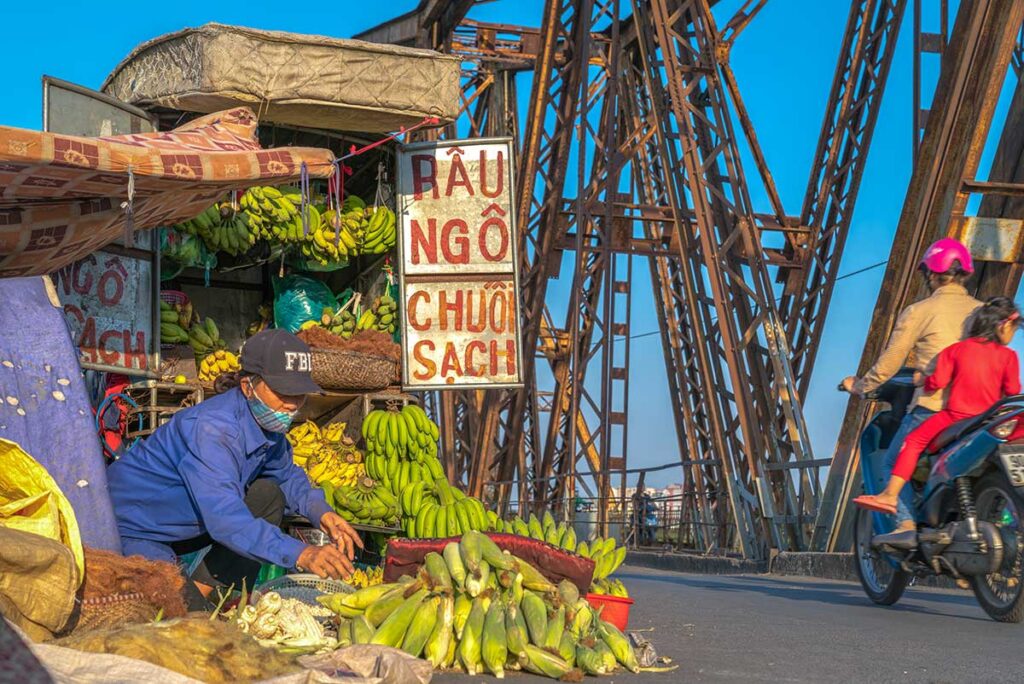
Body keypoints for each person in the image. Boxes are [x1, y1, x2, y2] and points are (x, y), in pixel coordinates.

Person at [107, 329, 363, 604]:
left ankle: (204, 593)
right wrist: (302, 553)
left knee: (267, 495)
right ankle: (193, 601)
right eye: (282, 392)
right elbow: (226, 519)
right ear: (248, 386)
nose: (291, 405)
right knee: (180, 621)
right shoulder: (213, 430)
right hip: (138, 527)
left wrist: (321, 512)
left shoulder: (267, 426)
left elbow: (286, 476)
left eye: (299, 394)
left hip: (190, 523)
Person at [841, 238, 981, 535]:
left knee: (895, 459)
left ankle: (904, 524)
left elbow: (890, 363)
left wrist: (860, 385)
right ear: (965, 273)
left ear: (931, 274)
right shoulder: (983, 312)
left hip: (936, 405)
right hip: (984, 409)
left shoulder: (921, 311)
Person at [855, 297, 1021, 515]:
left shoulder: (956, 350)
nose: (1012, 335)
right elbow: (1012, 390)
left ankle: (890, 495)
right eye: (1014, 329)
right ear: (1003, 325)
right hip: (988, 418)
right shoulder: (1009, 356)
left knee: (913, 441)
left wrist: (922, 379)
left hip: (956, 417)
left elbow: (937, 383)